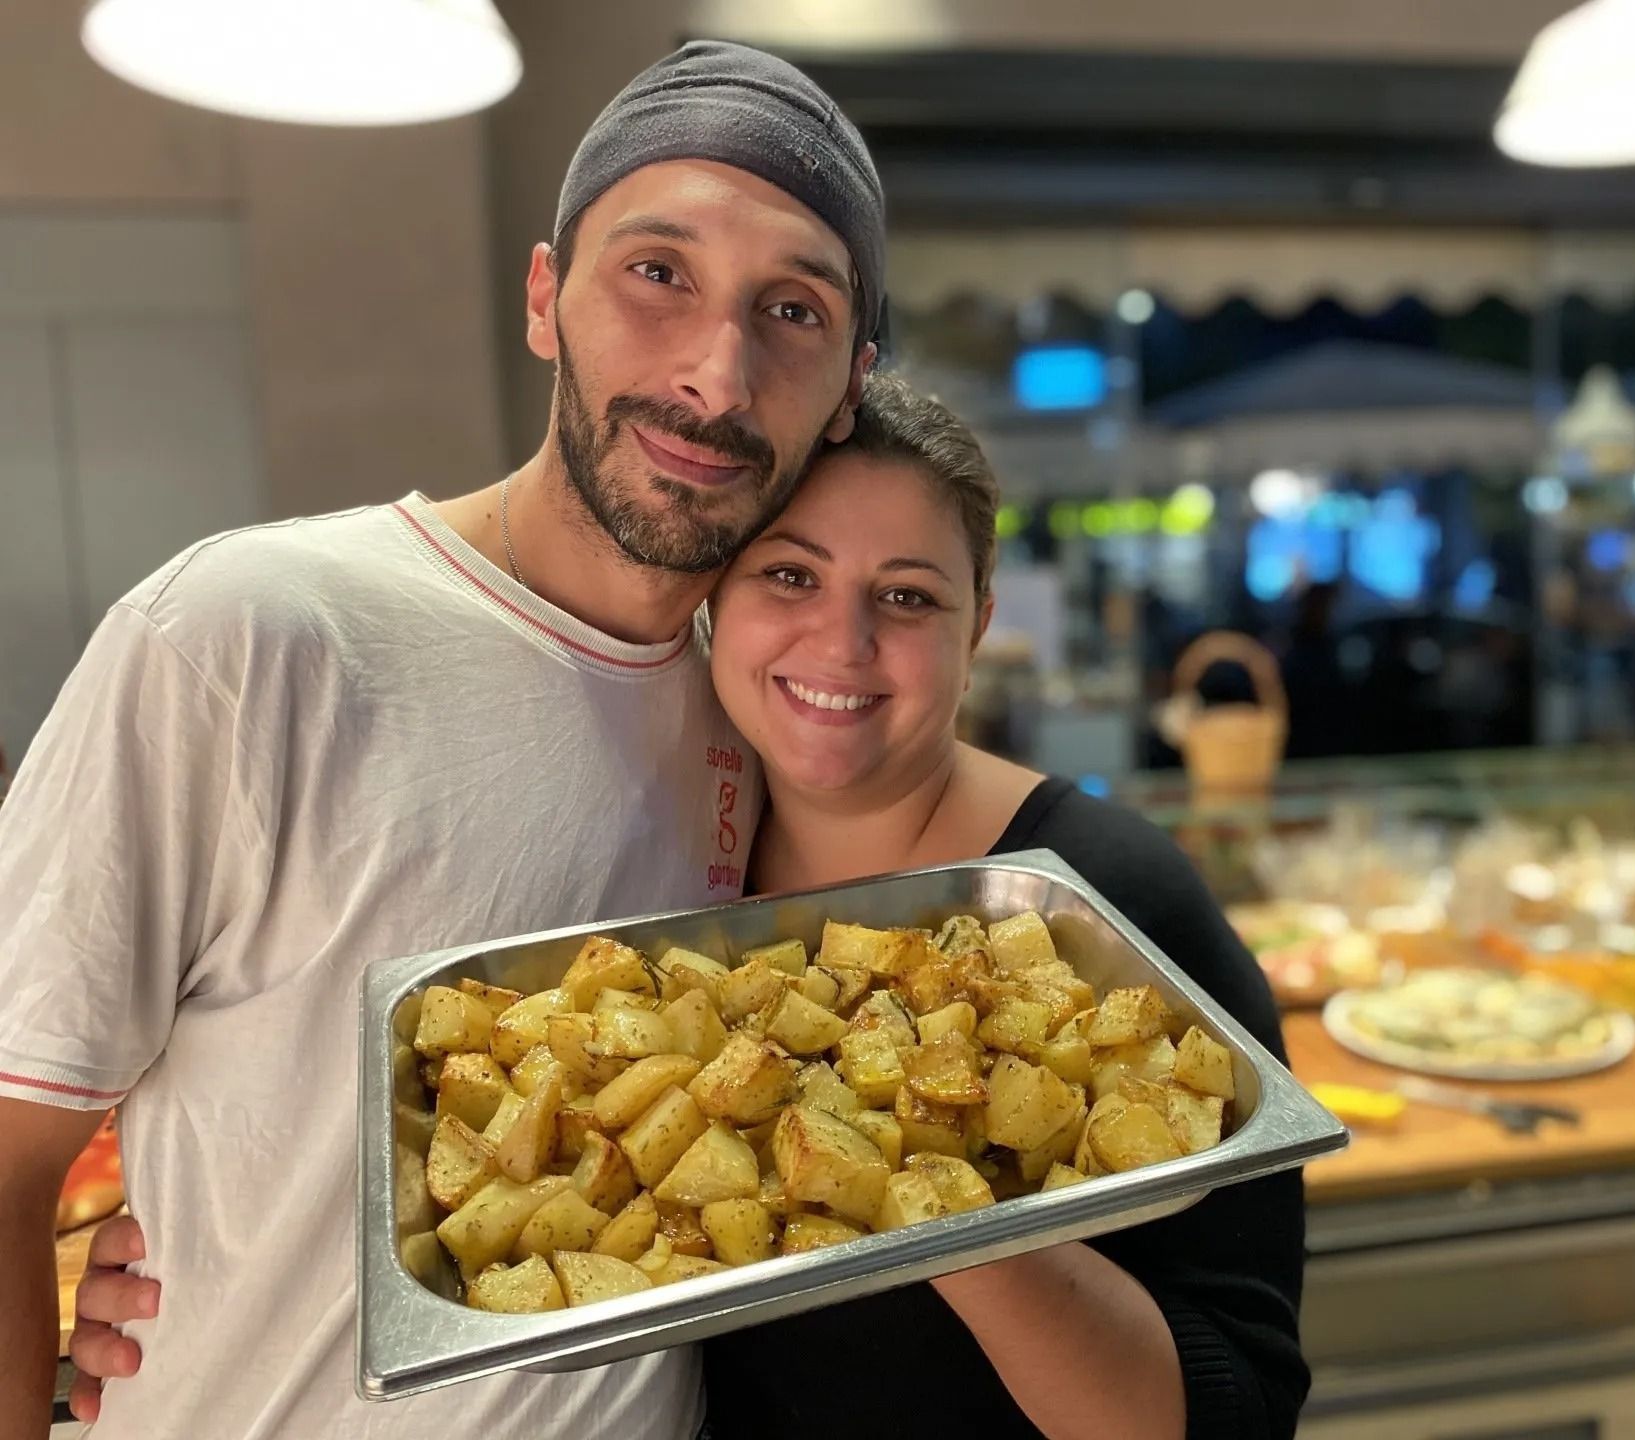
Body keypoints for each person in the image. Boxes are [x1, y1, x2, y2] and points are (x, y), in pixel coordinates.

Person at [69, 375, 1310, 1439]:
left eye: (909, 596)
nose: (842, 642)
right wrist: (176, 1247)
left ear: (979, 623)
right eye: (790, 572)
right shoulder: (666, 867)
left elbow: (1239, 1406)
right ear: (719, 594)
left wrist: (931, 1203)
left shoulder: (1110, 904)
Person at [0, 38, 883, 1440]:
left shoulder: (764, 717)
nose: (714, 375)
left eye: (790, 309)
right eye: (658, 274)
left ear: (849, 386)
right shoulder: (245, 634)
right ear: (545, 298)